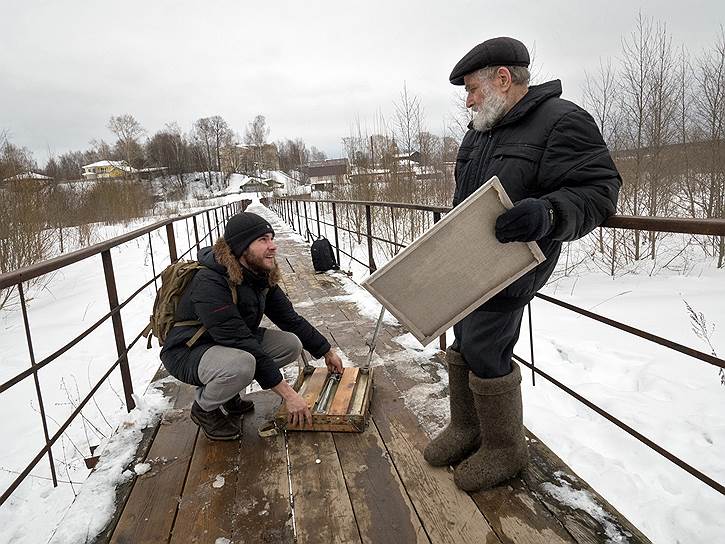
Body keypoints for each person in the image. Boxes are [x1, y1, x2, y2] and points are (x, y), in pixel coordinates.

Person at [423, 37, 621, 491]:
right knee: (463, 334)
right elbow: (465, 197)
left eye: (472, 89)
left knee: (488, 345)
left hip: (516, 262)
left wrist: (549, 213)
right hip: (468, 258)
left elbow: (600, 190)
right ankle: (467, 428)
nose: (468, 100)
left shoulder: (561, 120)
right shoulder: (479, 130)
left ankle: (504, 448)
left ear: (503, 79)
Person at [160, 211, 344, 440]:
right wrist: (289, 395)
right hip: (188, 350)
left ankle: (227, 394)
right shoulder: (209, 283)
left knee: (290, 344)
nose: (273, 246)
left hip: (224, 344)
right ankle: (204, 408)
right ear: (241, 248)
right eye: (263, 240)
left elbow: (289, 319)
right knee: (242, 364)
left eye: (272, 238)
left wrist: (326, 351)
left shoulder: (258, 274)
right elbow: (240, 341)